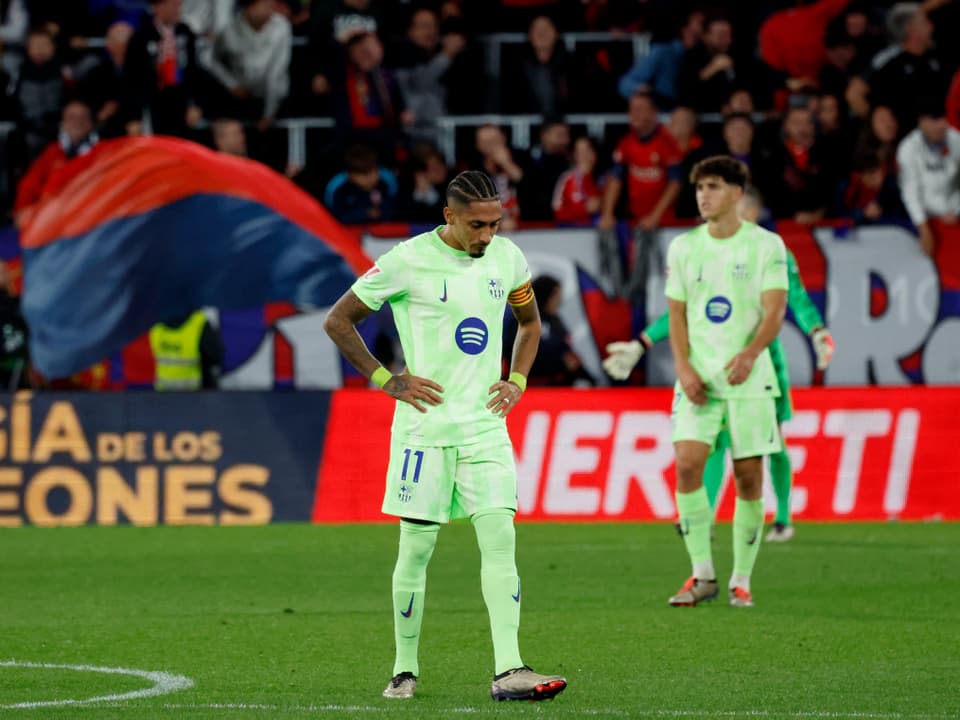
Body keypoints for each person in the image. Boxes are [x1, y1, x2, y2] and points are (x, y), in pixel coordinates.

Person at [323, 170, 567, 702]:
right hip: (424, 432)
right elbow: (339, 321)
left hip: (485, 428)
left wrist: (518, 380)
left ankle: (510, 670)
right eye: (477, 225)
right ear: (449, 217)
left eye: (495, 224)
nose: (487, 235)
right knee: (416, 551)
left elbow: (529, 323)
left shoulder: (508, 259)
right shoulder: (405, 261)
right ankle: (404, 669)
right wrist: (389, 380)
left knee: (501, 542)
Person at [604, 185, 835, 543]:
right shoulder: (704, 254)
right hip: (713, 363)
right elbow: (680, 313)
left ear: (752, 213)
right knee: (713, 440)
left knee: (769, 444)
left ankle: (784, 517)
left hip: (760, 365)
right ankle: (705, 517)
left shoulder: (771, 253)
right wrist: (641, 343)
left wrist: (817, 330)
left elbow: (797, 300)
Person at [627, 156, 787, 607]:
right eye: (700, 188)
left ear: (737, 193)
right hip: (698, 378)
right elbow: (675, 314)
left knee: (749, 475)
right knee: (687, 465)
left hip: (750, 378)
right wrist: (683, 366)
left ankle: (741, 578)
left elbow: (774, 311)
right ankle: (702, 576)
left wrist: (751, 354)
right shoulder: (683, 247)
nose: (703, 195)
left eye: (713, 187)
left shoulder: (766, 246)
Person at [149, 310, 223, 390]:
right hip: (195, 393)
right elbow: (216, 356)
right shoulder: (199, 322)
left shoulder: (155, 320)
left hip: (163, 392)